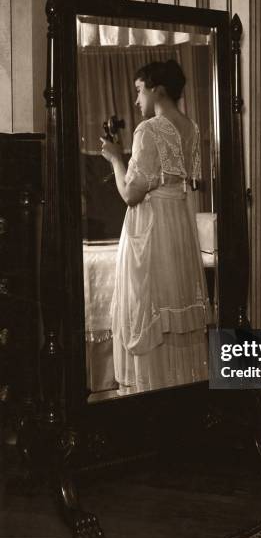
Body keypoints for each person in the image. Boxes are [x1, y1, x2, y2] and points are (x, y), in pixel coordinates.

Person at [100, 59, 212, 394]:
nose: (137, 100)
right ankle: (179, 385)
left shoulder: (148, 129)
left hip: (151, 225)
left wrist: (115, 157)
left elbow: (131, 193)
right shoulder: (190, 128)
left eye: (139, 90)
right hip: (177, 222)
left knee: (148, 299)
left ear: (157, 90)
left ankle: (149, 391)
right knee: (173, 295)